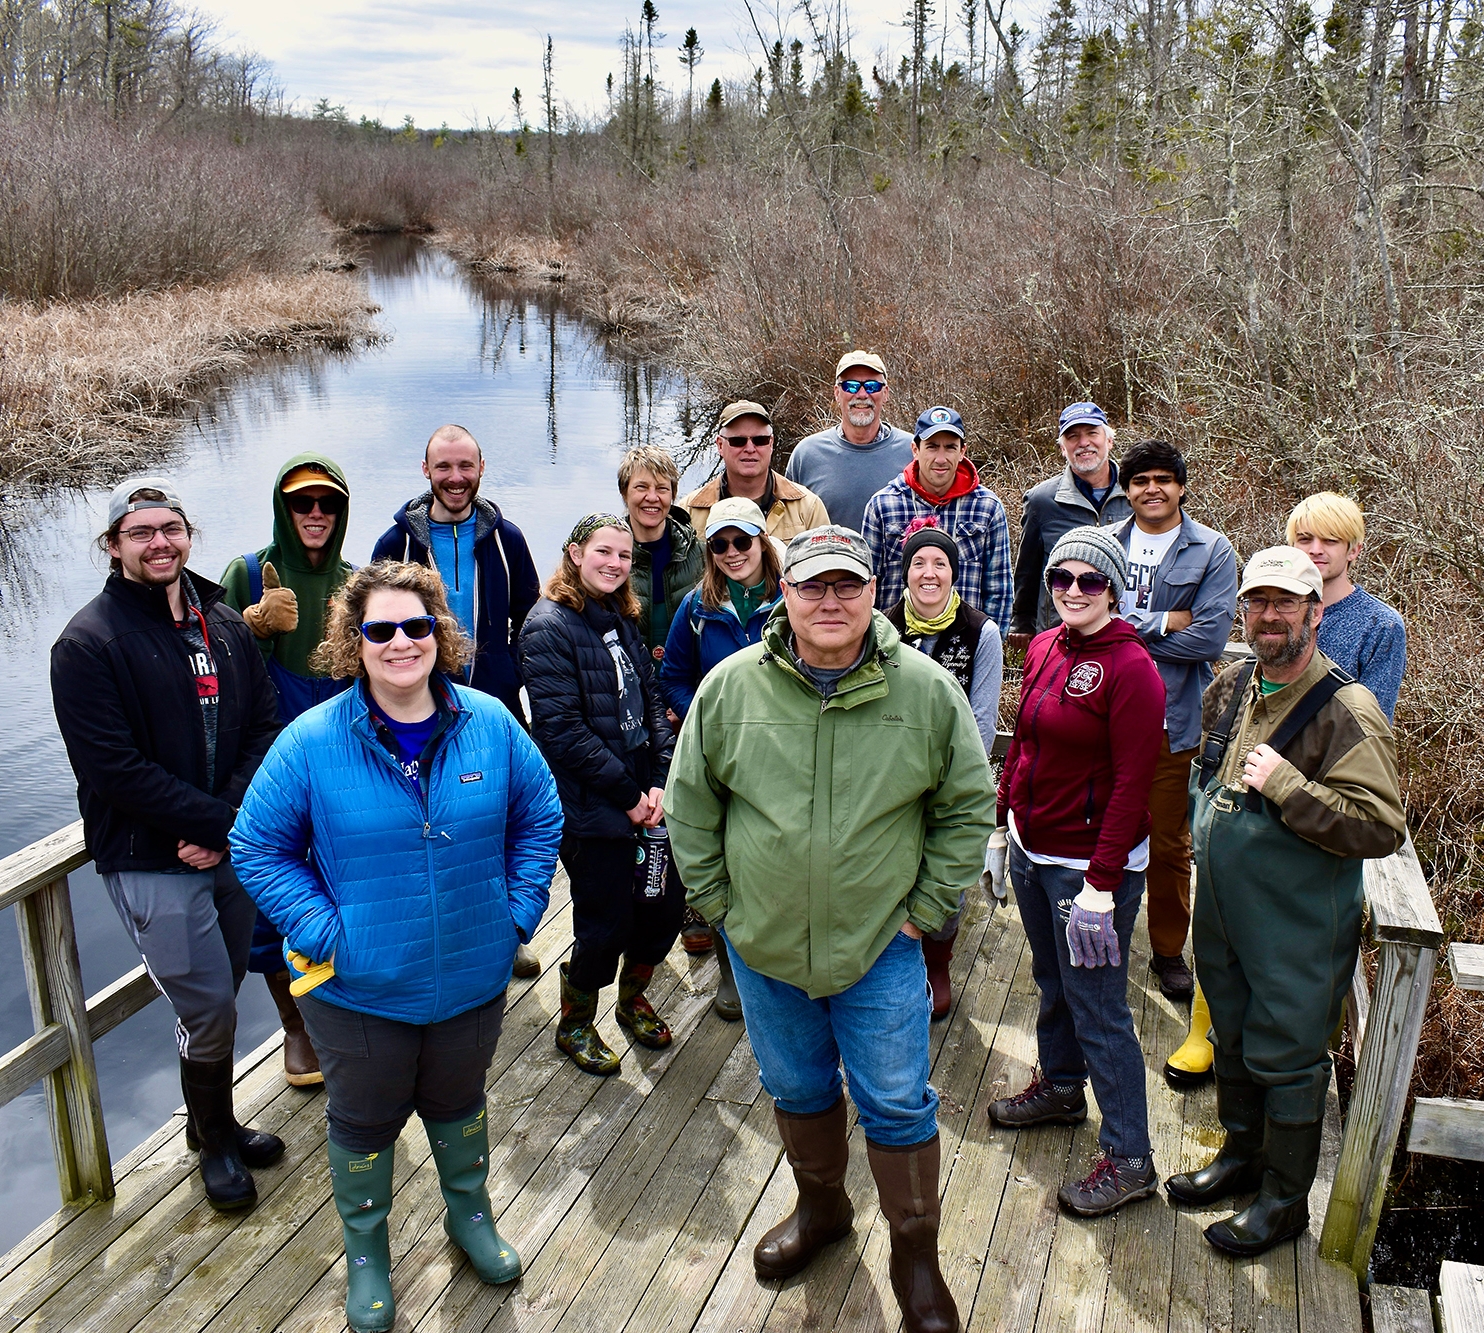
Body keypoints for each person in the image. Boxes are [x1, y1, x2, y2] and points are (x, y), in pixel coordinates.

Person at [666, 525, 993, 1333]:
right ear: (786, 592)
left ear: (872, 593)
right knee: (798, 1088)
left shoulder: (922, 689)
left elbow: (967, 807)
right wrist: (723, 909)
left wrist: (926, 912)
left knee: (897, 1103)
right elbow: (691, 803)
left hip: (882, 945)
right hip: (766, 947)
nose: (830, 601)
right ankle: (823, 1212)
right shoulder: (731, 687)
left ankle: (916, 1256)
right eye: (812, 585)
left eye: (847, 585)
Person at [230, 560, 563, 1333]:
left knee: (459, 1103)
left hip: (473, 978)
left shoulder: (489, 721)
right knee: (364, 1121)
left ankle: (469, 1216)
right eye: (380, 629)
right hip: (360, 989)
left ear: (439, 632)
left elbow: (540, 813)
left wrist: (515, 911)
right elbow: (257, 846)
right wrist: (323, 931)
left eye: (417, 625)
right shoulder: (310, 740)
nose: (401, 641)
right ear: (354, 640)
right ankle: (369, 1254)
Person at [51, 477, 283, 1212]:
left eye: (171, 528)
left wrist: (224, 823)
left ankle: (214, 1120)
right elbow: (112, 769)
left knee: (227, 988)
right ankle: (212, 1138)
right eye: (141, 531)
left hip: (227, 844)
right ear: (113, 544)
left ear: (189, 536)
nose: (159, 542)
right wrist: (215, 825)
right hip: (153, 857)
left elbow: (266, 726)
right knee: (208, 1005)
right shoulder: (88, 644)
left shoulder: (224, 621)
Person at [1166, 546, 1405, 1257]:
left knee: (1290, 1054)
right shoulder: (1239, 682)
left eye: (1286, 602)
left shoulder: (1346, 707)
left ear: (1315, 611)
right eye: (1258, 602)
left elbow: (1380, 826)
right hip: (1227, 911)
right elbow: (1210, 769)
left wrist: (1288, 787)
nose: (1270, 616)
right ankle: (1241, 1157)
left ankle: (1284, 1200)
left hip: (1298, 924)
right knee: (1232, 1035)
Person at [988, 526, 1166, 1218]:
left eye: (1089, 581)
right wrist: (1000, 826)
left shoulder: (1132, 670)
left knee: (1098, 1006)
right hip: (1034, 848)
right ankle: (1063, 1086)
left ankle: (1131, 1156)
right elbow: (1023, 742)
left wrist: (1101, 883)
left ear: (1113, 588)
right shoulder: (1042, 645)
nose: (1071, 590)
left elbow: (1132, 784)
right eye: (1061, 577)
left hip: (1088, 870)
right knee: (1051, 978)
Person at [372, 423, 543, 977]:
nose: (455, 478)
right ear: (426, 471)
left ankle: (506, 925)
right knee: (426, 812)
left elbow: (530, 614)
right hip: (412, 706)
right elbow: (370, 624)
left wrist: (511, 670)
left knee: (497, 810)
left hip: (491, 701)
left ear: (481, 469)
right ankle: (430, 926)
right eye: (443, 467)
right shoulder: (395, 544)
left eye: (465, 466)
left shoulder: (505, 538)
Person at [518, 515, 682, 1077]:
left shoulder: (619, 615)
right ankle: (576, 1022)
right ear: (574, 553)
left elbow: (653, 697)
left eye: (622, 555)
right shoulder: (547, 626)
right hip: (591, 807)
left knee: (661, 910)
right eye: (602, 553)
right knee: (603, 922)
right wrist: (630, 794)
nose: (614, 563)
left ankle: (632, 999)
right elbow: (560, 732)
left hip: (644, 793)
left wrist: (660, 778)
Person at [220, 453, 357, 1089]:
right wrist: (252, 631)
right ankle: (294, 1027)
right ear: (283, 506)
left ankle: (345, 1012)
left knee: (345, 882)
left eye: (327, 503)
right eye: (302, 503)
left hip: (340, 751)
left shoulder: (357, 582)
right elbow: (209, 675)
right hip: (267, 756)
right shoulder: (247, 573)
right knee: (275, 896)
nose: (315, 514)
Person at [1111, 439, 1237, 1004]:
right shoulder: (1106, 542)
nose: (1152, 489)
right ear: (1127, 489)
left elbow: (1210, 636)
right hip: (1105, 716)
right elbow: (1078, 617)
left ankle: (1166, 950)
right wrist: (1167, 620)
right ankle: (1099, 935)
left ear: (1181, 486)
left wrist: (1130, 631)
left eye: (1164, 478)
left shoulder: (1211, 549)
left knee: (1167, 843)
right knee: (1098, 829)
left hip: (1172, 719)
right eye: (1140, 480)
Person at [658, 496, 786, 1021]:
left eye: (742, 541)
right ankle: (732, 972)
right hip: (720, 756)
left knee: (775, 854)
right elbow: (674, 678)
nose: (732, 553)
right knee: (724, 857)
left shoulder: (791, 598)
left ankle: (778, 960)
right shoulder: (696, 608)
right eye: (720, 544)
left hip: (783, 752)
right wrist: (707, 719)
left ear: (762, 542)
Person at [882, 518, 1003, 1021]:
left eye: (940, 564)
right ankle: (891, 959)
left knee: (944, 874)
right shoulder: (881, 627)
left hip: (951, 775)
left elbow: (981, 720)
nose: (928, 573)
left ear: (955, 574)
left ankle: (938, 962)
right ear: (904, 572)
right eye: (918, 563)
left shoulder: (982, 632)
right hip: (889, 773)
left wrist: (944, 778)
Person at [862, 405, 1014, 636]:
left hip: (964, 647)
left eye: (950, 447)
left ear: (962, 451)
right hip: (896, 648)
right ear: (915, 449)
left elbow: (999, 589)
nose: (940, 458)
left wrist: (988, 646)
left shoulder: (987, 508)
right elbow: (866, 585)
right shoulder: (883, 505)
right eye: (932, 447)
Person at [1007, 402, 1132, 651]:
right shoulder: (1042, 501)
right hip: (1060, 634)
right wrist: (1022, 620)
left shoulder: (1136, 495)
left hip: (1123, 632)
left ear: (1109, 441)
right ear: (1063, 448)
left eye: (1092, 433)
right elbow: (1027, 570)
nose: (1083, 442)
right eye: (1073, 436)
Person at [1286, 491, 1406, 721]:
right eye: (1305, 539)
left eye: (1330, 540)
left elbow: (1373, 727)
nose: (1316, 549)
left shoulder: (1381, 625)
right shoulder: (1275, 611)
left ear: (1353, 550)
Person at [785, 353, 915, 534]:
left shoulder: (914, 452)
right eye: (851, 386)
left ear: (885, 393)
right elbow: (788, 527)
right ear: (837, 393)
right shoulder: (806, 455)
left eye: (872, 386)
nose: (862, 394)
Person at [681, 400, 830, 541]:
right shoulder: (687, 512)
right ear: (720, 445)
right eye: (738, 441)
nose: (750, 449)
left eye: (760, 440)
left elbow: (827, 565)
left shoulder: (809, 507)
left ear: (771, 443)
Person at [619, 444, 704, 663]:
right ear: (624, 493)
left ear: (673, 495)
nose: (652, 497)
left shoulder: (701, 555)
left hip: (687, 687)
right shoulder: (607, 560)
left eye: (662, 489)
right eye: (641, 487)